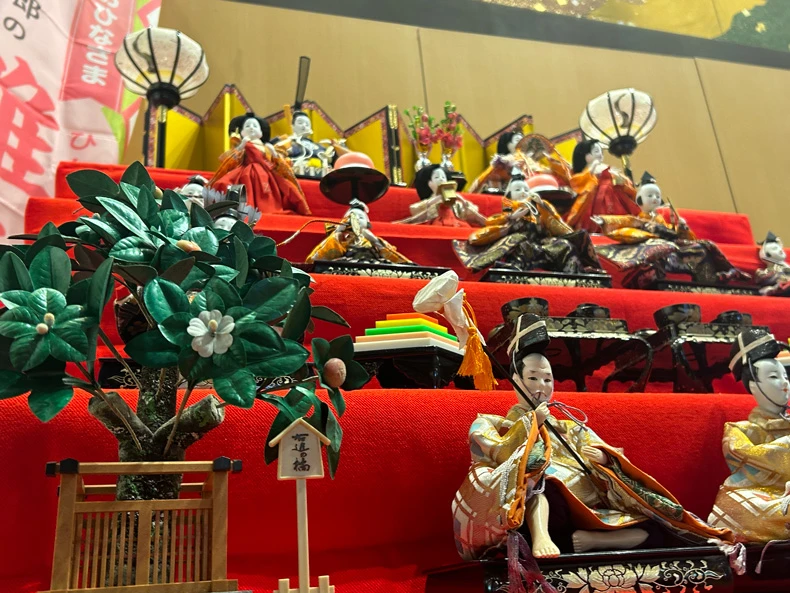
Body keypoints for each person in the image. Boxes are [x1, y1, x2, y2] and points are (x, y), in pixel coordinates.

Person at [453, 314, 732, 562]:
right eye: (533, 378)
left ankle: (596, 541)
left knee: (656, 528)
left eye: (548, 379)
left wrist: (604, 458)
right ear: (516, 379)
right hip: (549, 510)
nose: (542, 387)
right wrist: (530, 425)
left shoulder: (568, 426)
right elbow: (496, 453)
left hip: (589, 507)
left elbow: (602, 449)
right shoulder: (496, 424)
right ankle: (541, 538)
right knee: (540, 484)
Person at [594, 172, 750, 288]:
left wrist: (682, 228)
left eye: (657, 196)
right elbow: (622, 220)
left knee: (701, 247)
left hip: (672, 247)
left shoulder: (662, 220)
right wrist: (604, 220)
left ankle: (709, 280)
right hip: (654, 248)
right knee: (664, 248)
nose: (655, 198)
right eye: (650, 195)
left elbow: (679, 236)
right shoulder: (638, 220)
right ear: (639, 199)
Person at [708, 328, 790, 542]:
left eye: (785, 376)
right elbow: (747, 460)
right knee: (736, 505)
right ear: (753, 385)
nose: (784, 383)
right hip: (762, 493)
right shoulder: (740, 429)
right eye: (773, 377)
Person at [452, 174, 603, 275]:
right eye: (518, 189)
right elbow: (491, 225)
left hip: (542, 244)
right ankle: (513, 272)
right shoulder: (508, 211)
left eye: (526, 189)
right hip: (522, 244)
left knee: (564, 245)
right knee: (520, 244)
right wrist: (512, 219)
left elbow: (558, 226)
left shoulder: (540, 207)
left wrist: (545, 210)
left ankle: (576, 274)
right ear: (509, 196)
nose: (523, 192)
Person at [208, 112, 311, 216]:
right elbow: (229, 160)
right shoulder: (242, 145)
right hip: (246, 172)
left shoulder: (267, 147)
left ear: (261, 133)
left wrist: (273, 152)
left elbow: (279, 163)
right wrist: (242, 146)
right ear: (242, 132)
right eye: (247, 126)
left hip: (267, 173)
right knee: (223, 183)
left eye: (255, 126)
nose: (251, 128)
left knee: (288, 188)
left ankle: (268, 207)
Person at [305, 199, 413, 266]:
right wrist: (338, 232)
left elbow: (396, 259)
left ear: (367, 223)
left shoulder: (373, 240)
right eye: (352, 217)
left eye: (360, 217)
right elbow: (314, 260)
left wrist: (375, 241)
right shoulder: (340, 239)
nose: (356, 220)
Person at [564, 139, 641, 232]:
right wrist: (592, 170)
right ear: (586, 156)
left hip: (615, 196)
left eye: (601, 151)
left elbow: (623, 182)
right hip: (594, 199)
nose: (600, 154)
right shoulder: (587, 171)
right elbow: (577, 183)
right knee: (594, 221)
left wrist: (620, 179)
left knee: (621, 215)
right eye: (596, 151)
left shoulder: (607, 167)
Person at [396, 164, 486, 227]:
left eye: (443, 177)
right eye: (436, 177)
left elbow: (471, 212)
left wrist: (462, 200)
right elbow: (414, 209)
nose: (441, 180)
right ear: (429, 183)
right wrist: (436, 199)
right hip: (436, 225)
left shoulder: (455, 202)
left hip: (457, 224)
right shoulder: (430, 202)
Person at [754, 231, 790, 296]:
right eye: (775, 249)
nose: (780, 250)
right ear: (767, 254)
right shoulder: (769, 270)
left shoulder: (784, 265)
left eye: (779, 248)